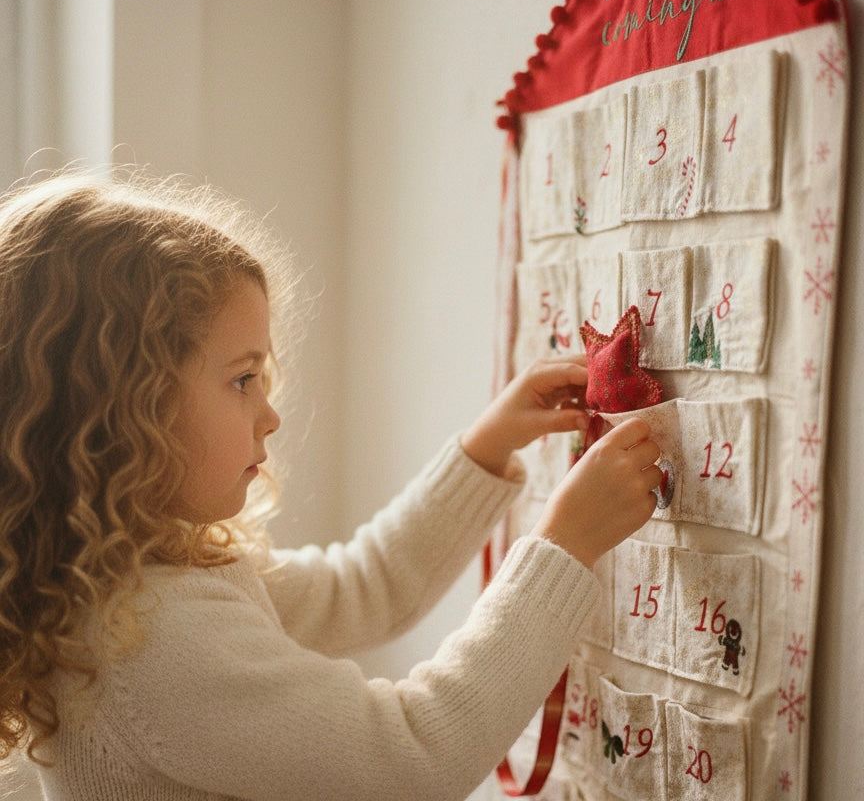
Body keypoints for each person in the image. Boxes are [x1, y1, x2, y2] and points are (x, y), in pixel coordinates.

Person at [0, 169, 661, 801]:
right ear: (125, 411)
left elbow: (363, 589)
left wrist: (483, 453)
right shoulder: (150, 638)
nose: (270, 412)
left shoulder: (138, 581)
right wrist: (561, 550)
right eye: (241, 379)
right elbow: (416, 756)